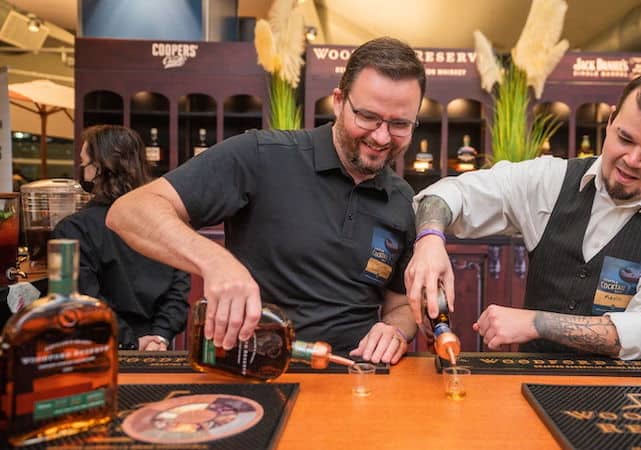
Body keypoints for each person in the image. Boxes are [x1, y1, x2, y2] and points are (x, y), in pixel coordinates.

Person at [107, 37, 422, 364]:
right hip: (255, 369)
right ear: (339, 102)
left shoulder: (401, 199)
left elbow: (400, 305)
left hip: (356, 378)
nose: (382, 136)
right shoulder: (262, 156)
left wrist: (395, 330)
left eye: (399, 124)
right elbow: (130, 211)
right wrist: (216, 262)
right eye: (368, 117)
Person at [405, 70, 641, 360]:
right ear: (611, 121)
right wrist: (430, 239)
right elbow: (451, 193)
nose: (632, 160)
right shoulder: (552, 180)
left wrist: (538, 323)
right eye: (625, 138)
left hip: (629, 394)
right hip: (533, 384)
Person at [53, 125, 190, 351]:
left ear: (98, 168)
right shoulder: (170, 221)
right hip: (157, 349)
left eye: (84, 164)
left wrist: (130, 341)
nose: (81, 170)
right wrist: (160, 336)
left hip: (99, 350)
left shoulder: (73, 229)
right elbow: (179, 290)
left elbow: (83, 300)